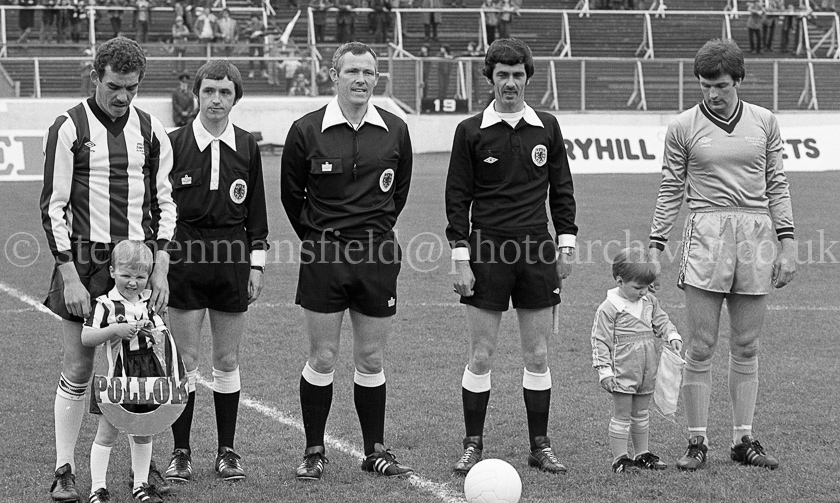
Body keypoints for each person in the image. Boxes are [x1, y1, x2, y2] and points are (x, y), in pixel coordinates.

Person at [649, 38, 795, 472]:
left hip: (756, 233)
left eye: (722, 85)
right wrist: (656, 247)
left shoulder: (765, 122)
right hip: (706, 233)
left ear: (739, 81)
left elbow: (778, 183)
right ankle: (697, 442)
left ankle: (742, 439)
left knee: (747, 345)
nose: (713, 93)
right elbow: (671, 188)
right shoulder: (682, 127)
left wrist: (787, 245)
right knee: (701, 345)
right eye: (705, 84)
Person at [40, 36, 176, 503]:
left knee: (143, 364)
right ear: (95, 77)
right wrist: (69, 274)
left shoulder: (151, 129)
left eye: (132, 88)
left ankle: (145, 468)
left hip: (139, 265)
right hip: (85, 261)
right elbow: (53, 207)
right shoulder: (69, 127)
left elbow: (165, 201)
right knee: (79, 366)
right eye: (115, 86)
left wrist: (160, 263)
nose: (123, 96)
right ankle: (65, 470)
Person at [281, 41, 414, 481]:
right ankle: (314, 450)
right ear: (333, 75)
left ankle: (375, 450)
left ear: (377, 79)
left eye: (369, 73)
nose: (361, 79)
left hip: (377, 254)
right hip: (324, 254)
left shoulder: (395, 129)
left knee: (371, 357)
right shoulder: (306, 129)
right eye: (352, 71)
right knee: (322, 356)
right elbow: (290, 194)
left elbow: (399, 194)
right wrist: (321, 239)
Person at [444, 38, 577, 476]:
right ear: (490, 78)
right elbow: (457, 197)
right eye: (502, 75)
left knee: (537, 355)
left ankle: (540, 446)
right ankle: (472, 444)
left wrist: (567, 244)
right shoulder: (470, 131)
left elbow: (562, 190)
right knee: (481, 354)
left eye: (518, 74)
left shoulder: (548, 127)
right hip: (487, 249)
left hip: (537, 248)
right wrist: (460, 258)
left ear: (527, 77)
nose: (510, 83)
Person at [163, 60, 269, 484]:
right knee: (185, 360)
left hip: (231, 255)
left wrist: (256, 265)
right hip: (183, 254)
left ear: (235, 98)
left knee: (226, 359)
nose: (216, 100)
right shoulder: (171, 144)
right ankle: (181, 452)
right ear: (196, 94)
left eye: (225, 93)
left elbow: (256, 211)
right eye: (209, 91)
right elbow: (158, 209)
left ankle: (227, 451)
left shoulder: (247, 146)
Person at [82, 241, 173, 503]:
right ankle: (97, 489)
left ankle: (141, 485)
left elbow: (162, 334)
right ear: (112, 271)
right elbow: (87, 336)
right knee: (107, 432)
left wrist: (153, 330)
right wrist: (115, 331)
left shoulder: (148, 303)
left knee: (144, 429)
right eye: (126, 275)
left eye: (140, 276)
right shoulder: (105, 304)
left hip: (147, 374)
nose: (133, 282)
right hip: (116, 376)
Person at [591, 248, 682, 473]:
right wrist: (605, 370)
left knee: (641, 413)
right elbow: (600, 340)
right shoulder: (609, 308)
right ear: (620, 281)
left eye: (646, 287)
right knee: (622, 415)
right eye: (638, 288)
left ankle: (642, 454)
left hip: (647, 368)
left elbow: (661, 321)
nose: (643, 292)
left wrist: (672, 335)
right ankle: (620, 458)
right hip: (623, 370)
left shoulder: (649, 301)